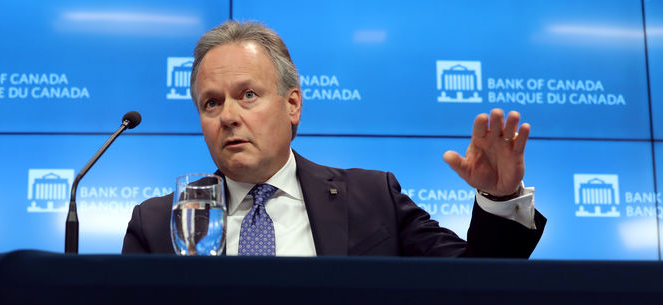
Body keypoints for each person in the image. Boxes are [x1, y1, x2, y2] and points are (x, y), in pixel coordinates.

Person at [122, 20, 546, 257]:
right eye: (211, 103)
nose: (228, 116)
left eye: (247, 95)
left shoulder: (372, 198)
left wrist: (499, 199)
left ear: (292, 105)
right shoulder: (158, 223)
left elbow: (474, 290)